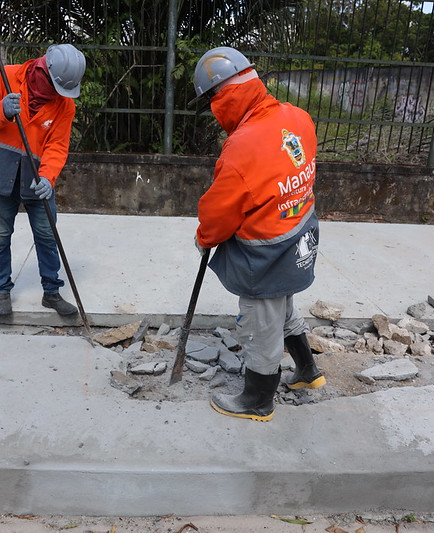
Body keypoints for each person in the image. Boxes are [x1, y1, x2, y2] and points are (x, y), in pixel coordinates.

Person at [190, 46, 325, 422]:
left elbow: (219, 211)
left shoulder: (243, 145)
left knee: (259, 327)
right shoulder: (297, 117)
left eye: (211, 101)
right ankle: (307, 372)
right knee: (283, 308)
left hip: (264, 253)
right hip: (297, 238)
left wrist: (204, 237)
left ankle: (257, 399)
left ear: (222, 96)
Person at [0, 44, 85, 317]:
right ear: (43, 71)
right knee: (0, 236)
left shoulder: (64, 105)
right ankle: (2, 290)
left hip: (36, 178)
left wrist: (48, 177)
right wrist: (1, 110)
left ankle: (52, 292)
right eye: (56, 87)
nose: (58, 95)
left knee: (47, 235)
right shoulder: (6, 77)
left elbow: (58, 145)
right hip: (0, 173)